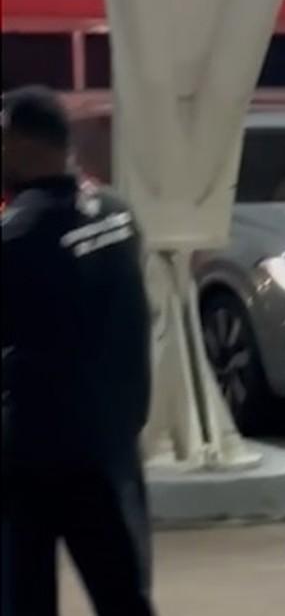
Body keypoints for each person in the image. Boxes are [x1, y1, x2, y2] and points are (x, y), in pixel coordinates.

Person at [1, 86, 155, 615]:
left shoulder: (19, 236)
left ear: (18, 143)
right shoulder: (118, 214)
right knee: (124, 595)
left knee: (25, 595)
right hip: (112, 444)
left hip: (37, 453)